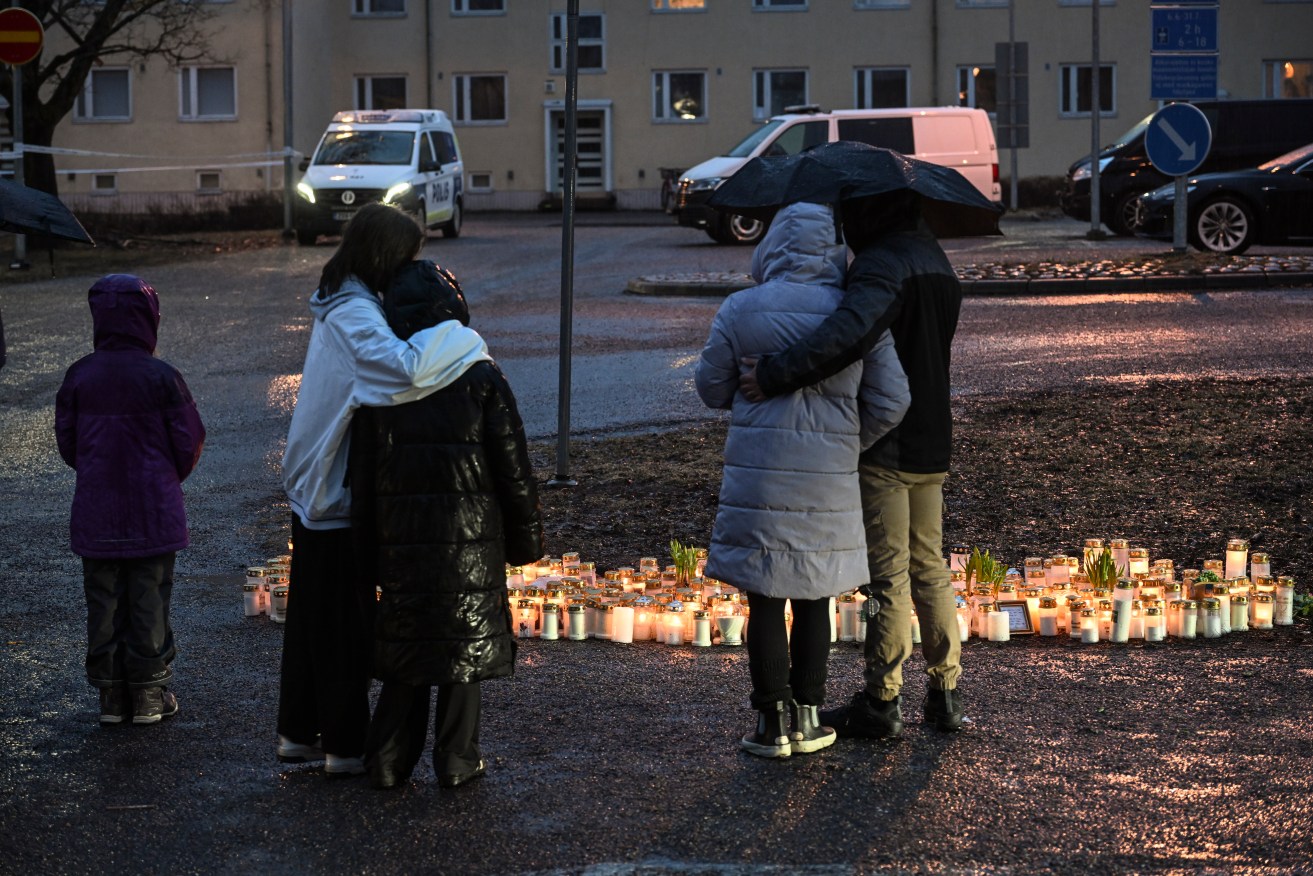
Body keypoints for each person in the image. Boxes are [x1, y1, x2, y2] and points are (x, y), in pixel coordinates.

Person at [741, 191, 965, 740]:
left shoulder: (881, 266)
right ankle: (945, 693)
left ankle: (882, 701)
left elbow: (848, 336)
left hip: (887, 443)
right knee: (929, 567)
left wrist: (775, 374)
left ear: (871, 213)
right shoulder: (937, 261)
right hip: (934, 439)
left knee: (888, 577)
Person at [278, 203, 491, 776]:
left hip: (318, 480)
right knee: (340, 623)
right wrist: (463, 341)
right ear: (385, 255)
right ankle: (342, 747)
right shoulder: (354, 312)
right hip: (331, 485)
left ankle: (300, 732)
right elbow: (402, 370)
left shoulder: (343, 298)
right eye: (407, 256)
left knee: (314, 618)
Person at [695, 203, 910, 758]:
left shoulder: (741, 309)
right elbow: (893, 399)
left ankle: (770, 726)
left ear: (774, 245)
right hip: (827, 480)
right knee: (815, 595)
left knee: (764, 597)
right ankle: (810, 719)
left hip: (758, 479)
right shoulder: (853, 313)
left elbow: (711, 390)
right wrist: (845, 445)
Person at [351, 259, 543, 790]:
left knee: (409, 650)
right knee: (462, 648)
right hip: (469, 544)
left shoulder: (382, 383)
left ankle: (388, 759)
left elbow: (362, 482)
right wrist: (526, 542)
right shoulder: (481, 374)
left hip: (402, 545)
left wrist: (365, 556)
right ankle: (457, 759)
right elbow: (513, 469)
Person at [54, 274, 206, 726]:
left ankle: (110, 696)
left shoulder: (79, 375)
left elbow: (69, 444)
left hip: (97, 508)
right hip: (152, 508)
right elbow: (188, 441)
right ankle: (148, 693)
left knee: (103, 599)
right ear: (148, 320)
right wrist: (163, 478)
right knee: (148, 596)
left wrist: (98, 471)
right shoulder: (162, 377)